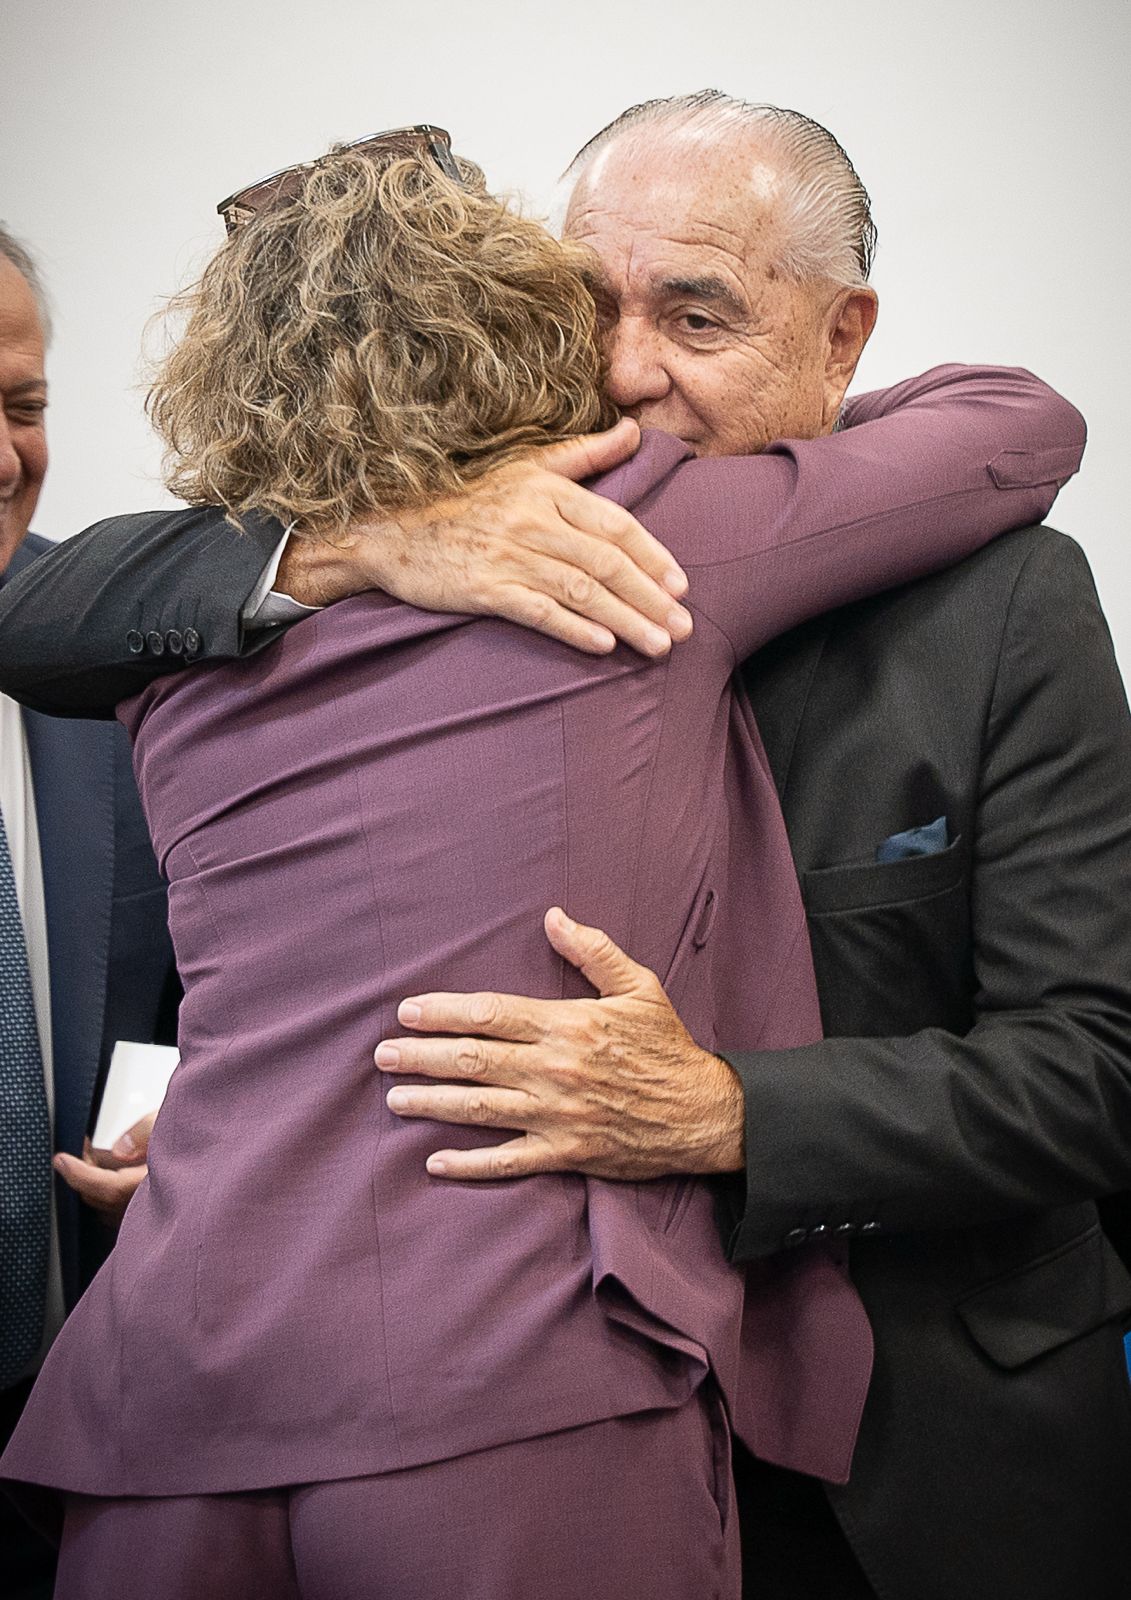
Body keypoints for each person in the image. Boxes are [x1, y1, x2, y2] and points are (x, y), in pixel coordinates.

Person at [0, 130, 1082, 1600]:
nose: (629, 372)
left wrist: (331, 538)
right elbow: (1018, 422)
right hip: (501, 1380)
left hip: (169, 1389)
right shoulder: (642, 538)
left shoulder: (171, 670)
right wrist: (381, 535)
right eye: (592, 312)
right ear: (521, 326)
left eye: (693, 318)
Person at [0, 231, 178, 1600]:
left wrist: (185, 1122)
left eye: (22, 406)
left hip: (65, 1437)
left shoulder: (118, 644)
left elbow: (197, 985)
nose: (4, 459)